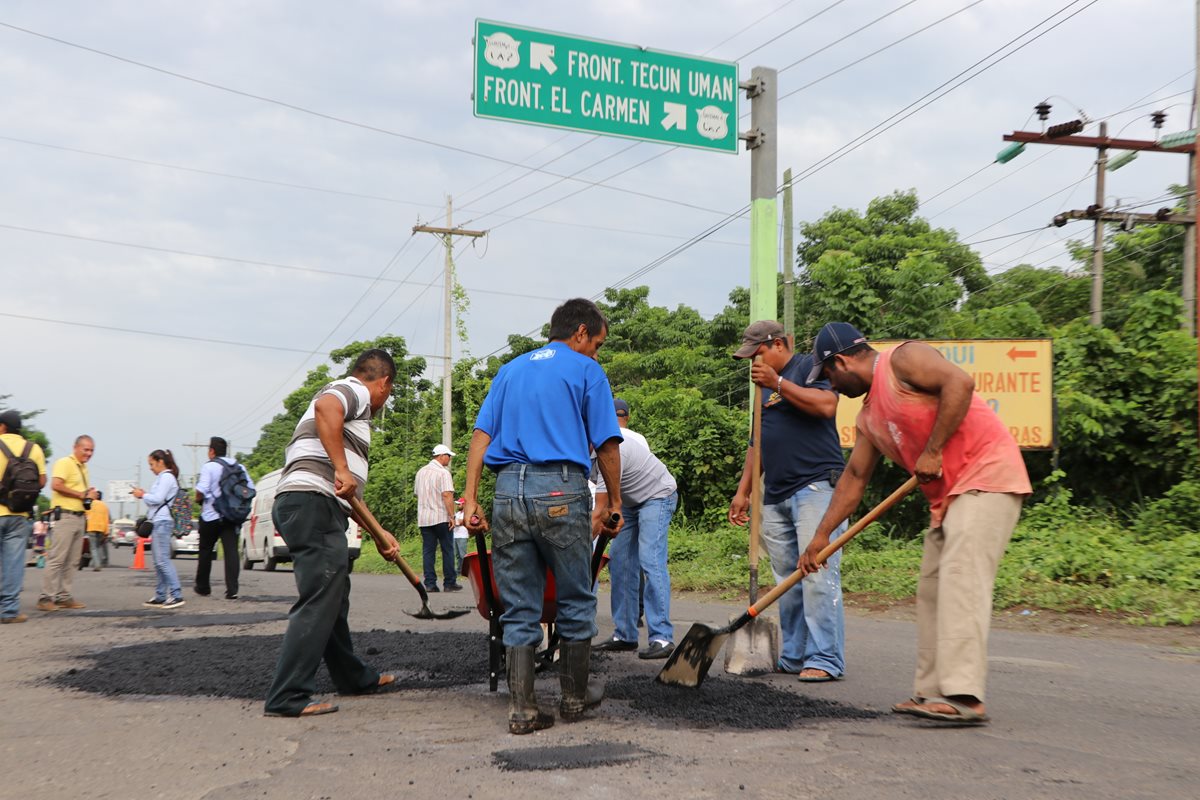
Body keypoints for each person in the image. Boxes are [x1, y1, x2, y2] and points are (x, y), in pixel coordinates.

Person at [797, 322, 1032, 724]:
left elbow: (960, 383)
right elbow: (854, 479)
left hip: (987, 477)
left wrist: (933, 450)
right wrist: (820, 538)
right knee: (932, 590)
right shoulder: (869, 417)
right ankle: (931, 691)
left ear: (841, 361)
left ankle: (964, 697)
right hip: (949, 498)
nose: (832, 386)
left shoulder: (903, 359)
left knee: (960, 582)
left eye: (830, 376)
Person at [463, 298, 623, 735]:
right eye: (598, 344)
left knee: (518, 607)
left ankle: (523, 709)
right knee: (575, 598)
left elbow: (481, 436)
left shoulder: (511, 369)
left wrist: (470, 498)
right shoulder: (586, 370)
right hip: (560, 489)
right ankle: (573, 699)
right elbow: (608, 444)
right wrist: (614, 503)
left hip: (507, 492)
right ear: (580, 334)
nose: (597, 353)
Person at [263, 348, 400, 718]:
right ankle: (287, 696)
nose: (384, 402)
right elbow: (327, 407)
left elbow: (347, 490)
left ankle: (353, 677)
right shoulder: (351, 390)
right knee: (320, 598)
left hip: (312, 502)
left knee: (333, 597)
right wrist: (341, 466)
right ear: (383, 382)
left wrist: (378, 531)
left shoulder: (348, 415)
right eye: (389, 393)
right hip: (312, 502)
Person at [728, 320, 849, 681]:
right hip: (776, 493)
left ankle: (826, 658)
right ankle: (795, 654)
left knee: (816, 573)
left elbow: (827, 406)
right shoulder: (761, 389)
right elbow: (757, 444)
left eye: (758, 352)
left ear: (778, 344)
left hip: (815, 488)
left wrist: (778, 383)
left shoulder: (807, 368)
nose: (754, 361)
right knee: (787, 580)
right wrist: (744, 491)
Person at [592, 398, 679, 660]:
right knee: (620, 562)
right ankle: (625, 634)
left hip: (658, 495)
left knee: (649, 560)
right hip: (627, 501)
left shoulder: (609, 450)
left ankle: (662, 638)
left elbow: (599, 512)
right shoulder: (582, 454)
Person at [38, 435, 98, 612]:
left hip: (79, 516)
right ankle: (45, 597)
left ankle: (64, 596)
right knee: (57, 559)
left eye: (91, 450)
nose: (88, 453)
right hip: (65, 516)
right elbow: (56, 485)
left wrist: (89, 495)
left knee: (73, 561)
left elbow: (79, 492)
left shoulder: (83, 468)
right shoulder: (65, 462)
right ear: (75, 447)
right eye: (85, 449)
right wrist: (82, 495)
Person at [0, 409, 47, 623]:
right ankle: (9, 611)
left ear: (2, 427)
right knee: (13, 563)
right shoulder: (33, 448)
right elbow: (42, 481)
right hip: (19, 515)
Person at [194, 436, 254, 599]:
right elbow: (250, 489)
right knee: (231, 551)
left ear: (211, 451)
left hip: (211, 515)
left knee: (206, 550)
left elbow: (202, 489)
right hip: (231, 516)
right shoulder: (238, 466)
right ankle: (232, 590)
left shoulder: (209, 466)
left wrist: (197, 499)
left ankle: (203, 587)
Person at [132, 450, 186, 609]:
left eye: (151, 464)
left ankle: (176, 595)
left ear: (160, 462)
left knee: (162, 561)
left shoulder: (167, 477)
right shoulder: (163, 478)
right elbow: (154, 501)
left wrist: (142, 495)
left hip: (163, 523)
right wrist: (145, 495)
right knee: (158, 562)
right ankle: (161, 595)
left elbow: (157, 499)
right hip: (159, 522)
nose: (150, 468)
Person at [414, 444, 461, 592]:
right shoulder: (443, 473)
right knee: (447, 549)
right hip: (441, 517)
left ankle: (430, 583)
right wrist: (451, 516)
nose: (449, 459)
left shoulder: (420, 472)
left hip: (424, 518)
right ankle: (449, 582)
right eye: (448, 456)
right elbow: (447, 495)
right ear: (441, 456)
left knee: (428, 551)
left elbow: (417, 494)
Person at [84, 490, 111, 570]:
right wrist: (106, 531)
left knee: (93, 547)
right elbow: (107, 519)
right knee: (98, 546)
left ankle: (97, 565)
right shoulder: (104, 505)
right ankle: (99, 562)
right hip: (102, 528)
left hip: (92, 527)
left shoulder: (89, 503)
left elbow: (85, 514)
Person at [451, 498, 468, 578]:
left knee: (463, 555)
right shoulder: (457, 513)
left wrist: (454, 520)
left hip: (462, 536)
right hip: (455, 535)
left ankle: (466, 571)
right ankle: (459, 571)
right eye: (457, 504)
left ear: (464, 504)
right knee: (457, 555)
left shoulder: (466, 513)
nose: (458, 505)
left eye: (459, 504)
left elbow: (459, 522)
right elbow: (454, 522)